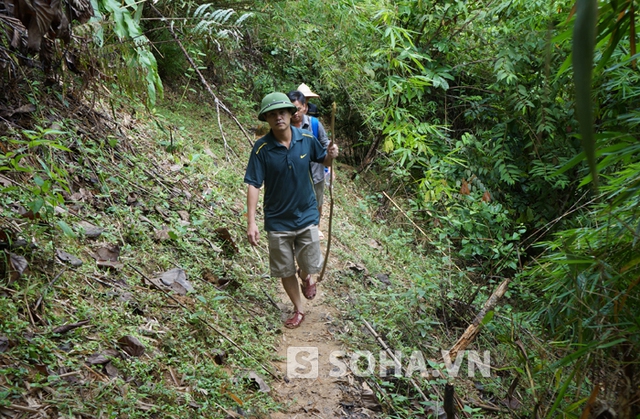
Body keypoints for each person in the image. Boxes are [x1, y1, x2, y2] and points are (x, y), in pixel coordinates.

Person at [244, 92, 339, 329]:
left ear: (291, 114)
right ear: (266, 118)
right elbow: (254, 184)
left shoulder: (306, 138)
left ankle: (306, 275)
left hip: (306, 215)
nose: (278, 117)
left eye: (282, 112)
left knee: (310, 263)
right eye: (273, 114)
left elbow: (323, 161)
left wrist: (330, 155)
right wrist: (251, 222)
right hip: (277, 220)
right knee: (285, 268)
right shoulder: (261, 149)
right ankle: (299, 309)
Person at [287, 90, 330, 239]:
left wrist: (330, 152)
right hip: (292, 173)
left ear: (305, 107)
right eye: (291, 109)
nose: (295, 113)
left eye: (298, 109)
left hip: (316, 172)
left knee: (317, 200)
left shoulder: (315, 124)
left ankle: (315, 227)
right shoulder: (284, 126)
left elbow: (325, 143)